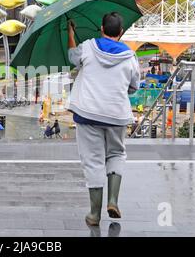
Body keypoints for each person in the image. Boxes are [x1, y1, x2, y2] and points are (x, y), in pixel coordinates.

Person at [67, 12, 140, 227]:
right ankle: (113, 200)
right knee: (116, 153)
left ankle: (94, 214)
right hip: (117, 115)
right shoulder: (130, 56)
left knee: (93, 160)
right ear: (121, 32)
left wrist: (71, 34)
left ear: (101, 28)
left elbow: (72, 56)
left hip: (88, 113)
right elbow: (134, 87)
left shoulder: (88, 46)